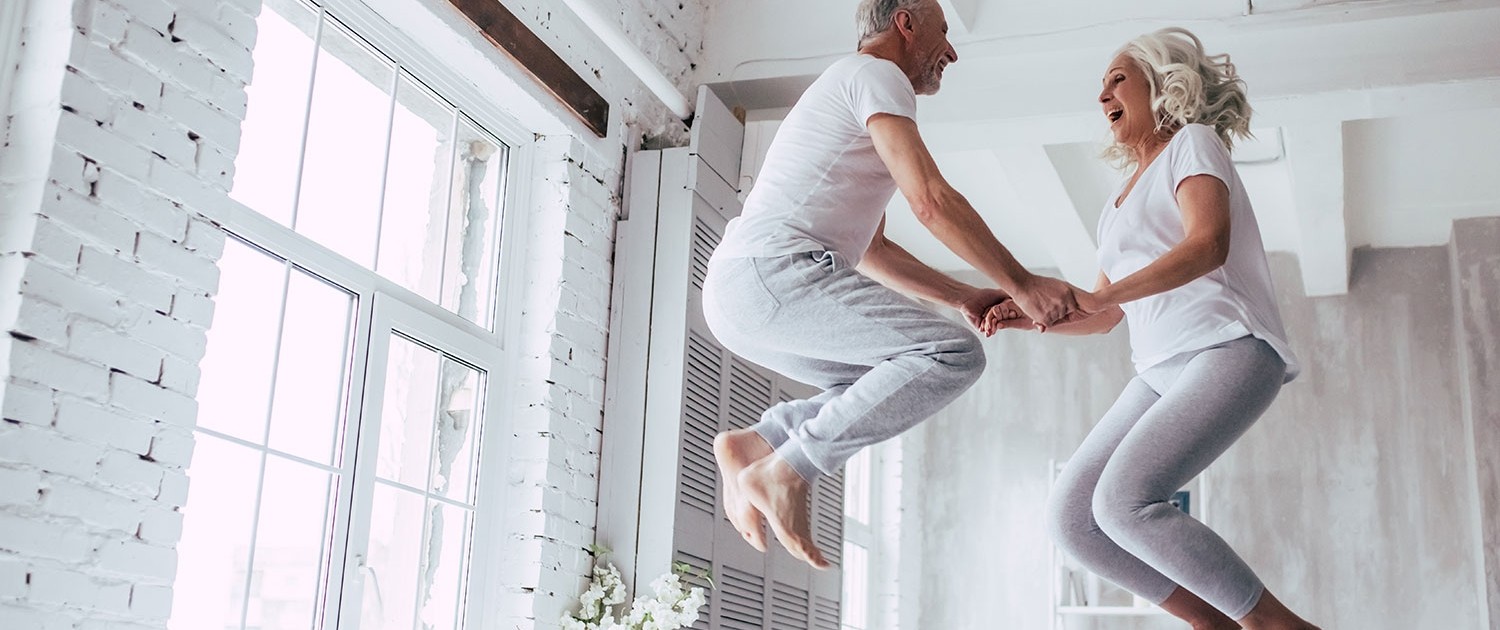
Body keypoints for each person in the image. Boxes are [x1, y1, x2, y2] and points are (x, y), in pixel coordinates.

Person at [703, 0, 1080, 569]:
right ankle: (790, 468)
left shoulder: (852, 88)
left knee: (884, 381)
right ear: (905, 22)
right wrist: (1021, 283)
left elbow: (873, 250)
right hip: (771, 274)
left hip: (743, 290)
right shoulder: (875, 75)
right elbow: (931, 201)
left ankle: (761, 443)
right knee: (953, 355)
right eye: (944, 32)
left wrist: (962, 295)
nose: (951, 51)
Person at [983, 27, 1320, 630]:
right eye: (1101, 86)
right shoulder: (1114, 204)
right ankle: (1208, 620)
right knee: (1073, 519)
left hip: (1229, 347)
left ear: (1161, 84)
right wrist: (1028, 317)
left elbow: (1207, 244)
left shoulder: (1193, 143)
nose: (1102, 95)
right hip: (1159, 368)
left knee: (1122, 501)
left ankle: (1272, 623)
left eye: (1117, 78)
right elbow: (1108, 315)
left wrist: (1101, 292)